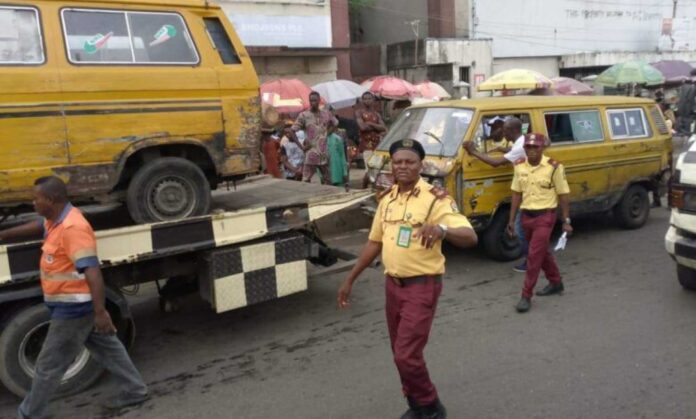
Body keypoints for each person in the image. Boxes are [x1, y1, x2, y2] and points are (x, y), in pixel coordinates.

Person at [337, 139, 478, 419]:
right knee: (399, 353)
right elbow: (374, 243)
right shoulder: (387, 199)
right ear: (392, 165)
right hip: (393, 287)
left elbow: (470, 236)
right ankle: (416, 405)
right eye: (398, 162)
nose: (402, 167)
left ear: (420, 165)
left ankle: (432, 406)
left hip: (421, 287)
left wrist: (442, 230)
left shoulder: (435, 199)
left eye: (409, 162)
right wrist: (350, 279)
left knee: (406, 355)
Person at [0, 177, 149, 419]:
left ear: (51, 200)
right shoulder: (56, 219)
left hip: (74, 309)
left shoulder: (73, 228)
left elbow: (93, 271)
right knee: (109, 349)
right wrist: (4, 234)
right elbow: (40, 225)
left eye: (36, 198)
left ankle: (29, 414)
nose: (33, 202)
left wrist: (101, 312)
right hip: (71, 305)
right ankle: (135, 390)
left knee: (48, 365)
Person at [506, 134, 572, 313]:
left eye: (536, 148)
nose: (532, 151)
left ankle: (526, 296)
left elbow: (563, 194)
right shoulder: (519, 166)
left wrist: (566, 220)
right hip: (526, 216)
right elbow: (516, 193)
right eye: (528, 147)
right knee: (541, 253)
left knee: (533, 257)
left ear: (542, 148)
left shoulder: (554, 167)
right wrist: (512, 220)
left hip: (545, 217)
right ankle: (556, 282)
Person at [464, 117, 529, 272]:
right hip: (523, 186)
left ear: (513, 131)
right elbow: (515, 153)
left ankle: (531, 260)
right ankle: (536, 257)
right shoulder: (520, 142)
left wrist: (474, 152)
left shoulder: (520, 146)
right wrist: (503, 150)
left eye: (504, 130)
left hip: (527, 188)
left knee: (520, 230)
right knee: (525, 226)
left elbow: (495, 163)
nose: (501, 132)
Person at [292, 91, 337, 184]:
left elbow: (335, 123)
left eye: (315, 100)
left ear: (319, 101)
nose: (313, 103)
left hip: (324, 153)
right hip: (311, 153)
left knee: (328, 180)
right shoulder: (304, 115)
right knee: (306, 180)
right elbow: (292, 131)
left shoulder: (326, 114)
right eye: (311, 100)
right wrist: (301, 147)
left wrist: (326, 134)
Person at [356, 92, 388, 188]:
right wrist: (376, 127)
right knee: (369, 169)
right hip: (366, 146)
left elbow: (384, 128)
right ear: (362, 100)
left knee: (377, 169)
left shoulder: (376, 114)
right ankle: (364, 188)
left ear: (373, 100)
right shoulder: (359, 112)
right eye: (365, 99)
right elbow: (362, 127)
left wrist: (370, 123)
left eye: (369, 98)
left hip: (378, 145)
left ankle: (369, 188)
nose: (367, 101)